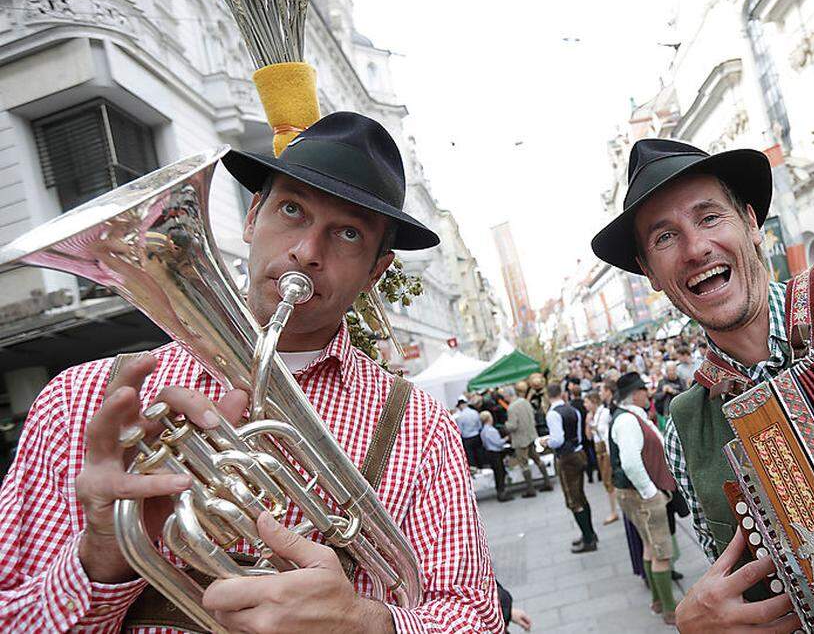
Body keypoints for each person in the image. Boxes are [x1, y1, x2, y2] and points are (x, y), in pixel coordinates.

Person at [0, 112, 503, 631]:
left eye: (348, 234)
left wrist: (366, 621)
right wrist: (104, 554)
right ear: (251, 216)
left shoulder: (420, 429)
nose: (307, 253)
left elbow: (476, 617)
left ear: (376, 271)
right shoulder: (79, 401)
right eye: (291, 210)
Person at [590, 136, 814, 632]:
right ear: (650, 273)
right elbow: (728, 583)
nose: (695, 249)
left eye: (710, 217)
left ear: (752, 224)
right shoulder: (684, 427)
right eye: (665, 238)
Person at [609, 372, 678, 625]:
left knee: (650, 547)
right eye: (644, 391)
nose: (648, 395)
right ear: (635, 394)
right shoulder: (627, 421)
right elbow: (630, 462)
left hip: (633, 494)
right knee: (661, 552)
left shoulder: (626, 417)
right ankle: (670, 610)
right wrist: (651, 493)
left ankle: (658, 602)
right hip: (641, 495)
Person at [538, 383, 598, 553]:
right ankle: (590, 533)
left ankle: (588, 539)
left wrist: (545, 441)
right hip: (579, 453)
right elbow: (576, 436)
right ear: (561, 393)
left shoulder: (553, 414)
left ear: (548, 396)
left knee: (573, 499)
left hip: (567, 458)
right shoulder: (573, 410)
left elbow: (558, 440)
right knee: (581, 495)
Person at [500, 386, 553, 496]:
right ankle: (547, 482)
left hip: (520, 439)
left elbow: (513, 425)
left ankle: (530, 489)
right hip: (531, 435)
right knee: (538, 459)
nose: (504, 398)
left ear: (508, 395)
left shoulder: (511, 408)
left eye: (504, 395)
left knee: (524, 464)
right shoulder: (525, 402)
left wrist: (505, 426)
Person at [584, 390, 619, 525]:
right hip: (599, 451)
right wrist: (588, 423)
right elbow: (588, 437)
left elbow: (606, 434)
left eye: (586, 402)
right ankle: (614, 509)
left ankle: (614, 511)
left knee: (609, 482)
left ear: (593, 402)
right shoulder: (592, 415)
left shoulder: (604, 413)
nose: (585, 405)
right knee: (607, 482)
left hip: (606, 451)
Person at [480, 411, 512, 503]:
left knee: (497, 473)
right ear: (489, 418)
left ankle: (500, 491)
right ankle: (502, 493)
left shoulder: (483, 431)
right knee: (500, 473)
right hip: (496, 453)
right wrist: (506, 438)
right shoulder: (491, 430)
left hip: (489, 453)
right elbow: (498, 442)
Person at [454, 396, 485, 469]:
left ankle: (475, 470)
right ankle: (482, 467)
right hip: (477, 435)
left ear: (461, 405)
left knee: (471, 457)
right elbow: (479, 425)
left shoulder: (460, 416)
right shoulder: (475, 412)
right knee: (479, 454)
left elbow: (460, 430)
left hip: (467, 438)